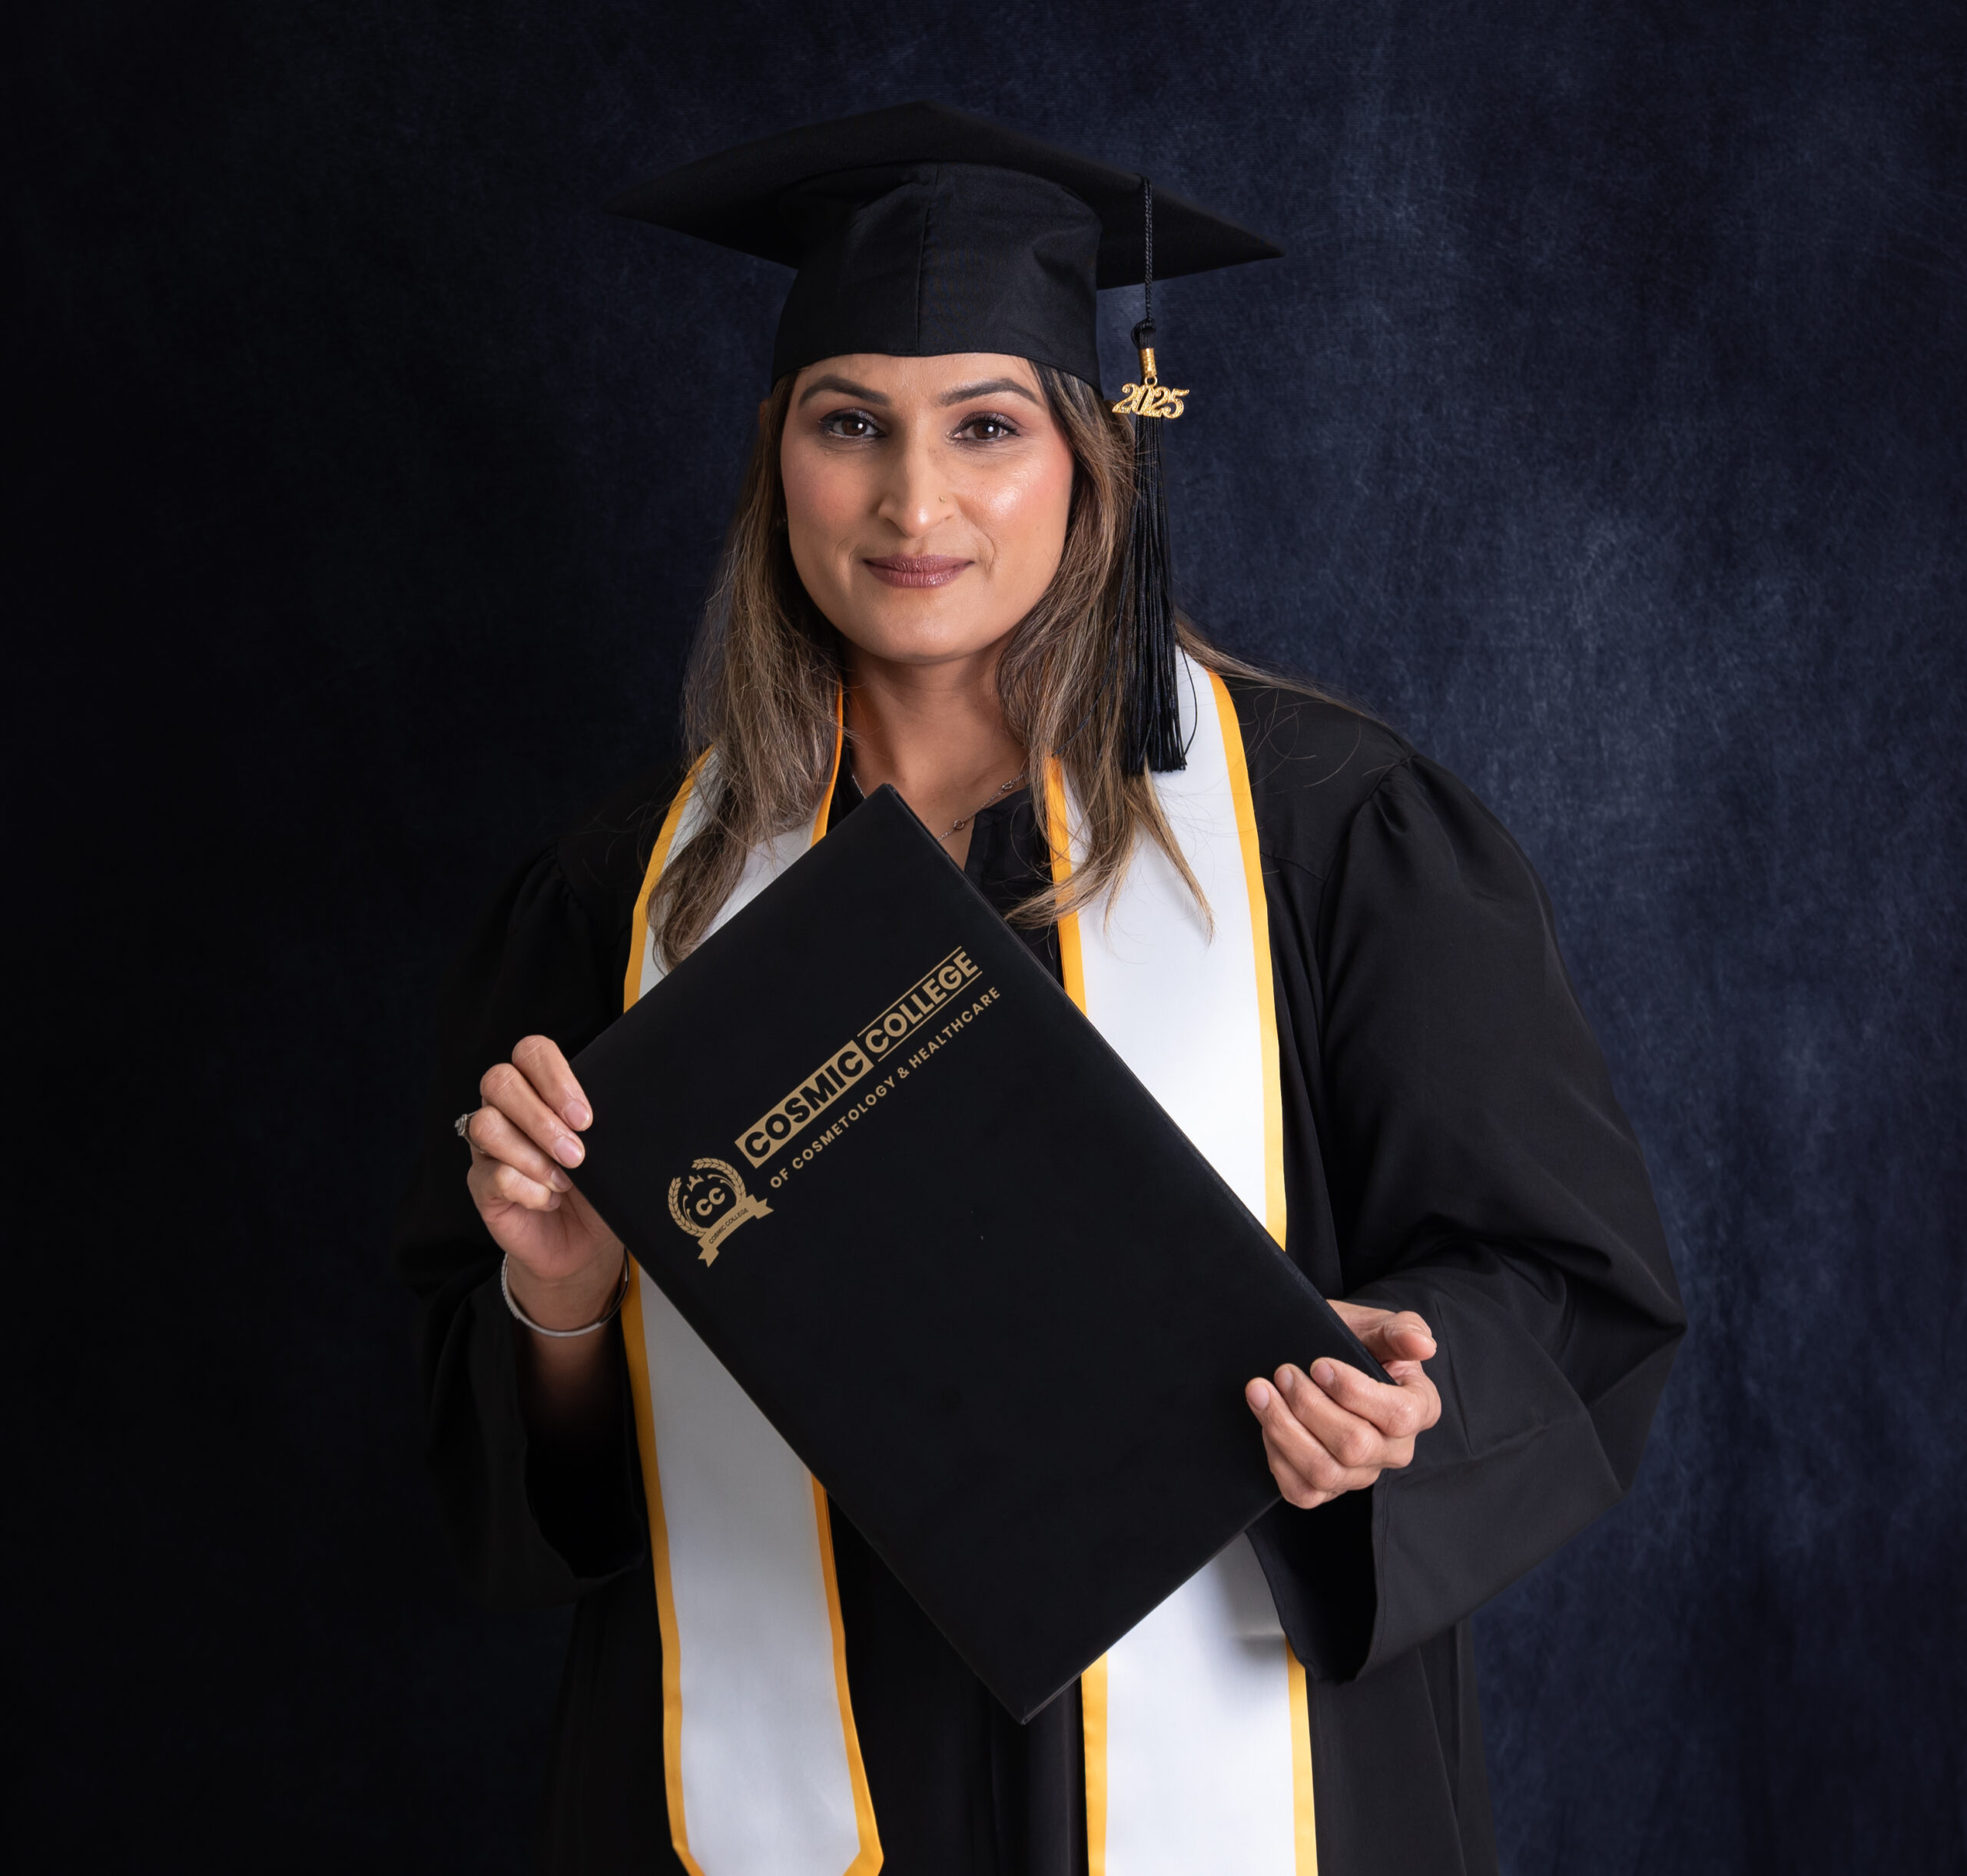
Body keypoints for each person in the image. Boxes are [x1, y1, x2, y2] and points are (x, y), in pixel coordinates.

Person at [395, 102, 1685, 1876]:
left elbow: (1556, 1284)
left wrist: (1401, 1391)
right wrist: (556, 1304)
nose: (913, 503)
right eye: (850, 425)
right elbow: (517, 1494)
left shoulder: (1329, 832)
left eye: (985, 427)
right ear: (777, 457)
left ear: (1092, 456)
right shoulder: (624, 894)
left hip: (1239, 1770)